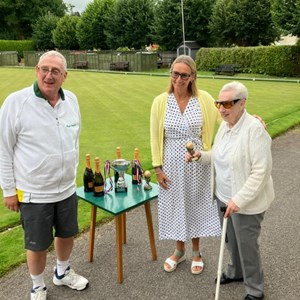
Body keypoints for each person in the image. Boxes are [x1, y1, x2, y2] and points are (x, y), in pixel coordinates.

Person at [0, 50, 89, 300]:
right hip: (34, 191)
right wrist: (9, 190)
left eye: (55, 71)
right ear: (36, 70)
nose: (49, 75)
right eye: (44, 69)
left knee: (66, 233)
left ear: (65, 76)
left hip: (66, 188)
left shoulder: (71, 100)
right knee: (37, 244)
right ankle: (37, 285)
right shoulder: (16, 102)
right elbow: (3, 150)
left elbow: (74, 138)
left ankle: (62, 272)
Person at [186, 81, 274, 300]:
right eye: (219, 103)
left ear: (242, 103)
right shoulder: (225, 126)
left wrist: (239, 200)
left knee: (247, 246)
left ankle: (255, 289)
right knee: (231, 241)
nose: (222, 108)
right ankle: (236, 271)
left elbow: (260, 172)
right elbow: (217, 154)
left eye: (227, 103)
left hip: (246, 203)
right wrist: (201, 156)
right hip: (223, 197)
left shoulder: (255, 130)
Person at [150, 55, 222, 275]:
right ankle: (179, 251)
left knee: (196, 204)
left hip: (197, 162)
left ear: (193, 77)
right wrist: (158, 169)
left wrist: (251, 118)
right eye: (175, 73)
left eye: (184, 75)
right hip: (171, 162)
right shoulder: (160, 101)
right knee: (175, 205)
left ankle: (196, 252)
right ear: (170, 73)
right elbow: (155, 136)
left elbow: (227, 117)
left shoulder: (205, 99)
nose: (178, 79)